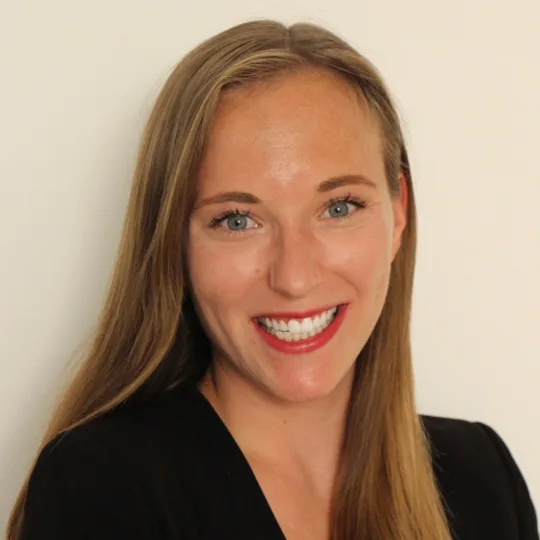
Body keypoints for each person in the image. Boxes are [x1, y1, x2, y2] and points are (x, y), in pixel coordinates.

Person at [6, 19, 538, 540]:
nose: (295, 276)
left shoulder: (481, 478)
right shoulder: (103, 484)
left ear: (398, 214)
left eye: (339, 206)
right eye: (237, 220)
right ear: (175, 241)